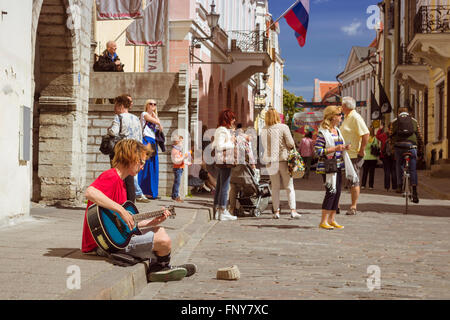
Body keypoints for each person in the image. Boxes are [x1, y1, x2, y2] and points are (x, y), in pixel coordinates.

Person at [82, 139, 196, 282]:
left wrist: (153, 221)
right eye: (141, 162)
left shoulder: (122, 184)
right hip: (104, 245)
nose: (142, 167)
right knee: (164, 241)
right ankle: (161, 267)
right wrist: (121, 210)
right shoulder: (111, 176)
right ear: (131, 158)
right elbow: (90, 192)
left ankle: (160, 266)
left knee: (159, 230)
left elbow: (129, 224)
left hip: (115, 238)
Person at [314, 105, 358, 230]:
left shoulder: (337, 130)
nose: (341, 117)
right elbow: (318, 151)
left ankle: (332, 219)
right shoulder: (323, 132)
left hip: (338, 164)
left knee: (337, 192)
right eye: (339, 115)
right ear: (332, 117)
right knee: (331, 192)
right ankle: (323, 221)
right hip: (328, 166)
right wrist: (335, 148)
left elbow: (339, 146)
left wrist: (344, 147)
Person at [261, 108, 301, 219]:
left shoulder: (263, 129)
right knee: (289, 186)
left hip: (270, 161)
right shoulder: (283, 127)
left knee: (275, 187)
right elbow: (291, 143)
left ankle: (276, 212)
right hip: (283, 159)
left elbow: (264, 145)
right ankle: (293, 210)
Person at [107, 94, 144, 203]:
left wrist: (109, 129)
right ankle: (130, 202)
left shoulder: (119, 117)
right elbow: (140, 137)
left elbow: (113, 132)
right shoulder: (136, 119)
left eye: (116, 105)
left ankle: (117, 201)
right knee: (130, 179)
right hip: (134, 150)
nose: (114, 108)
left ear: (121, 105)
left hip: (122, 150)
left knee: (118, 176)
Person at [340, 96, 370, 215]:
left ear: (346, 107)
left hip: (354, 155)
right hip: (345, 153)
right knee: (342, 180)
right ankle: (336, 205)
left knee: (354, 180)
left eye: (342, 105)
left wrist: (362, 149)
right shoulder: (347, 117)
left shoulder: (355, 117)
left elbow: (366, 133)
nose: (341, 107)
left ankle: (353, 206)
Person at [389, 106, 424, 203]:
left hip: (399, 146)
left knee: (399, 164)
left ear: (398, 113)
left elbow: (391, 136)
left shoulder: (394, 122)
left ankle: (399, 185)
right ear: (408, 113)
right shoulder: (414, 121)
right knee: (413, 169)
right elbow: (419, 136)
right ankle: (415, 192)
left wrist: (392, 150)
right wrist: (421, 149)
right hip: (412, 146)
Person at [212, 109, 238, 221]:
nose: (234, 120)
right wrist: (231, 142)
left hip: (222, 160)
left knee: (220, 185)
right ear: (228, 119)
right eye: (232, 118)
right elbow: (219, 146)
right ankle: (222, 210)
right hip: (224, 160)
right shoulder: (222, 130)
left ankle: (218, 210)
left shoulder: (221, 129)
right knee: (224, 186)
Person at [229, 127, 257, 215]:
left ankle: (232, 209)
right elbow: (249, 153)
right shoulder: (244, 140)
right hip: (242, 167)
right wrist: (253, 166)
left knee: (233, 188)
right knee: (248, 186)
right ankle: (245, 206)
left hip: (232, 166)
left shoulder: (232, 139)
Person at [138, 99, 162, 200]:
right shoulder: (144, 114)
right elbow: (157, 122)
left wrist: (155, 114)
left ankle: (151, 192)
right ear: (147, 105)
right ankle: (140, 191)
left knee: (153, 166)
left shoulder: (153, 116)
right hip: (146, 140)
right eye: (150, 104)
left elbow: (161, 128)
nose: (152, 106)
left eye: (154, 104)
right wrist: (155, 116)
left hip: (152, 141)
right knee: (144, 165)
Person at [376, 122, 397, 192]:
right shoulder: (396, 136)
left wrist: (380, 129)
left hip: (385, 156)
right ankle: (394, 187)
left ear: (387, 128)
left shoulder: (384, 135)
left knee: (387, 171)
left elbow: (377, 136)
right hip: (394, 155)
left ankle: (387, 187)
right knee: (394, 171)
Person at [171, 136, 190, 202]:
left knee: (177, 182)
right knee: (177, 182)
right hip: (177, 168)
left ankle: (174, 195)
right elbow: (176, 160)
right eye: (181, 142)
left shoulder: (178, 150)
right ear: (177, 142)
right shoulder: (175, 150)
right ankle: (176, 196)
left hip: (180, 168)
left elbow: (180, 160)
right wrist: (184, 156)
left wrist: (186, 162)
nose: (182, 143)